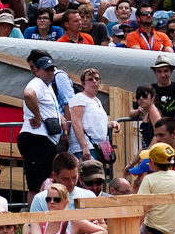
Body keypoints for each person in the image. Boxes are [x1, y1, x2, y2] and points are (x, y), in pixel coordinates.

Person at [18, 54, 63, 201]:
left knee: (45, 182)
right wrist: (37, 116)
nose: (50, 72)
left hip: (43, 140)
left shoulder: (47, 87)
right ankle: (34, 215)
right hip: (36, 138)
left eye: (52, 69)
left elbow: (49, 109)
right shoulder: (37, 83)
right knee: (37, 185)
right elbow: (28, 94)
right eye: (46, 69)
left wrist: (61, 119)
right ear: (37, 71)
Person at [67, 68, 115, 165]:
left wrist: (111, 124)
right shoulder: (79, 98)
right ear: (82, 83)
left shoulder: (97, 100)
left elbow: (94, 123)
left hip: (98, 147)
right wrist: (84, 147)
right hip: (86, 147)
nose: (94, 81)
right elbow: (76, 123)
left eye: (97, 79)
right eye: (90, 79)